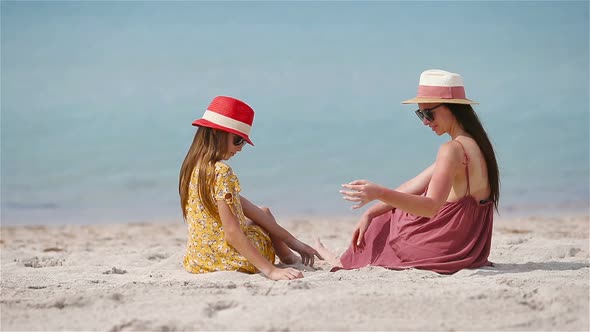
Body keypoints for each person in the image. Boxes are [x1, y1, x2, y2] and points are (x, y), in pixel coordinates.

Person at [316, 69, 499, 274]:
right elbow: (414, 186)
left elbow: (430, 208)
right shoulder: (478, 145)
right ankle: (345, 259)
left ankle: (345, 263)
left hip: (444, 249)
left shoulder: (452, 150)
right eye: (420, 114)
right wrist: (371, 211)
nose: (425, 121)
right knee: (387, 210)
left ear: (452, 108)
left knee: (390, 218)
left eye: (429, 113)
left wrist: (378, 193)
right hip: (469, 249)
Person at [179, 96, 322, 280]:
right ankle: (288, 258)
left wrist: (294, 241)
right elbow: (231, 233)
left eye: (243, 143)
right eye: (238, 140)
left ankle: (290, 254)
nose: (240, 148)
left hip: (199, 260)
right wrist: (270, 270)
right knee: (264, 217)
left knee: (262, 212)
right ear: (216, 133)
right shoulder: (221, 172)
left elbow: (247, 208)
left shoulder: (193, 169)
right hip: (229, 259)